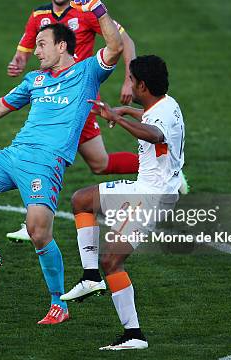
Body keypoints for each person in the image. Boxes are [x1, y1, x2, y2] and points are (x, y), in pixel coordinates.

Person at [0, 0, 123, 325]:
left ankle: (58, 303)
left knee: (39, 232)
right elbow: (1, 105)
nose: (35, 51)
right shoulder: (34, 79)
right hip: (14, 155)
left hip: (45, 164)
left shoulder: (86, 74)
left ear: (62, 46)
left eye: (42, 45)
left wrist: (97, 9)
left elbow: (115, 46)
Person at [5, 0, 188, 244]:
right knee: (98, 164)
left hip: (80, 102)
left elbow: (123, 41)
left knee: (47, 153)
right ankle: (166, 175)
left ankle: (36, 220)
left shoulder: (84, 13)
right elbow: (27, 48)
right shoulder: (39, 16)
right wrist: (18, 61)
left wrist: (129, 78)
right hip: (53, 100)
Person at [62, 55, 184, 349]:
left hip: (149, 196)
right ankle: (90, 277)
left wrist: (118, 119)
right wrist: (128, 110)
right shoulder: (168, 104)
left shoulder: (159, 118)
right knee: (82, 200)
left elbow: (155, 133)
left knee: (112, 261)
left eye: (131, 80)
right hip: (148, 189)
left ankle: (134, 335)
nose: (128, 84)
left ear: (142, 84)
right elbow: (152, 120)